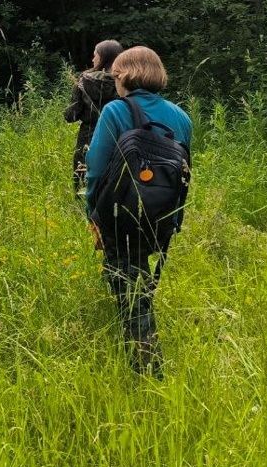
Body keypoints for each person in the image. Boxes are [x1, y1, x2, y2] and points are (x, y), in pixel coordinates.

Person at [85, 46, 192, 376]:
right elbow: (185, 172)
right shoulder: (181, 116)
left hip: (121, 213)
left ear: (125, 76)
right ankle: (141, 352)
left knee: (127, 284)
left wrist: (94, 215)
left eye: (116, 75)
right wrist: (175, 219)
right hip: (162, 215)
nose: (115, 82)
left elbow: (96, 167)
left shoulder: (117, 111)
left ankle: (147, 369)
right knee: (139, 277)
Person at [64, 40, 122, 196]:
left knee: (83, 176)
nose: (92, 59)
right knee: (114, 178)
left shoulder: (83, 81)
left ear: (102, 57)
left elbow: (71, 116)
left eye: (95, 55)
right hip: (117, 136)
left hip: (88, 136)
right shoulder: (124, 82)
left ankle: (82, 211)